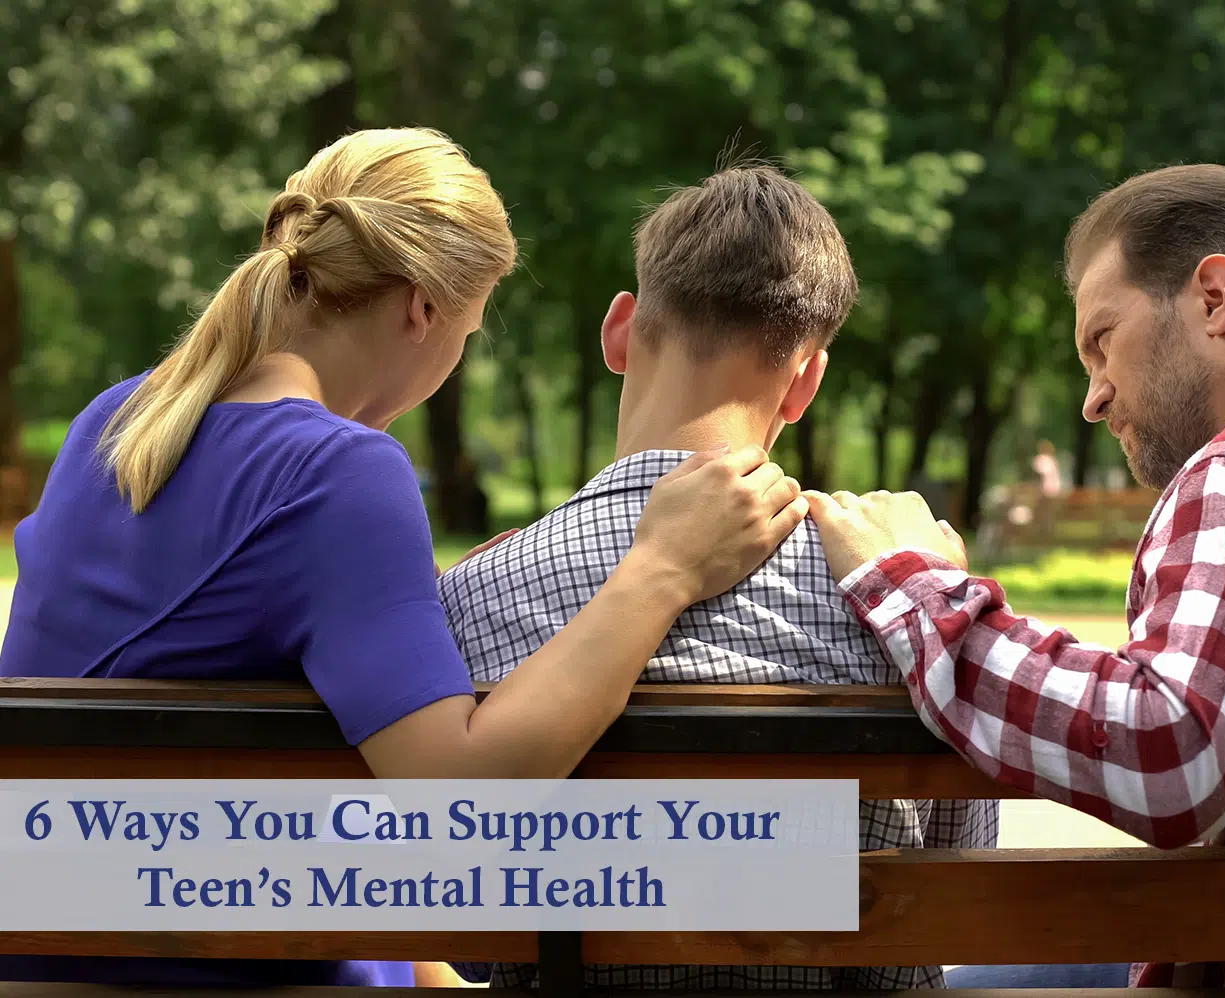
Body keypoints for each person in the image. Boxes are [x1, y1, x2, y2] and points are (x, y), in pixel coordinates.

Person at [0, 129, 805, 989]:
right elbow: (459, 802)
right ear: (422, 310)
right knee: (772, 861)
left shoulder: (118, 419)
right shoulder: (338, 470)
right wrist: (663, 566)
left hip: (59, 925)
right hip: (208, 965)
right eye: (469, 329)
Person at [804, 163, 1225, 988]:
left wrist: (913, 583)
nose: (1093, 399)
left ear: (1213, 298)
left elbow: (1168, 750)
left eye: (1102, 341)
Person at [438, 164, 999, 991]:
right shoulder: (900, 598)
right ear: (806, 380)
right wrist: (941, 596)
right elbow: (956, 896)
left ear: (619, 331)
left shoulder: (476, 594)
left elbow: (473, 942)